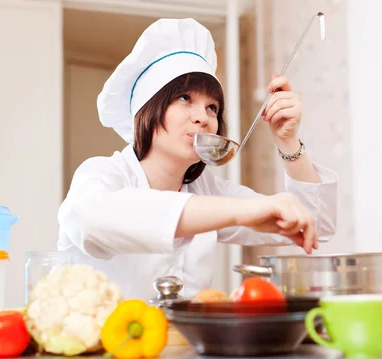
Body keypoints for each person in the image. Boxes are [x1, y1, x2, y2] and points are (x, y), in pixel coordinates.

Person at [57, 18, 338, 300]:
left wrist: (287, 140)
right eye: (184, 98)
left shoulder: (207, 190)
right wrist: (241, 212)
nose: (203, 118)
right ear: (147, 109)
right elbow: (91, 221)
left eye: (212, 107)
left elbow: (315, 224)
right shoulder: (102, 174)